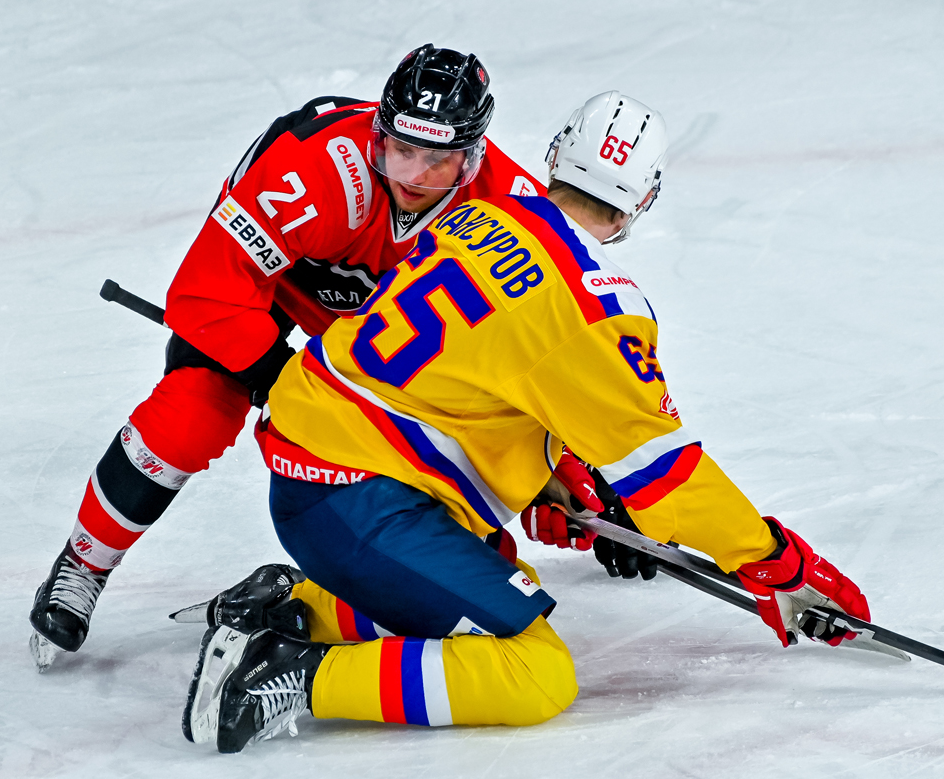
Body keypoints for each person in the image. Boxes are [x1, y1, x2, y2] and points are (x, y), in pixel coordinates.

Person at [180, 91, 872, 754]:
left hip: (325, 461)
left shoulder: (478, 217)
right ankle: (280, 676)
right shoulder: (596, 309)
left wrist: (542, 475)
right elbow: (667, 478)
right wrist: (774, 560)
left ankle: (295, 605)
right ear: (643, 200)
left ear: (555, 156)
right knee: (535, 671)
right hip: (358, 497)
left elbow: (472, 380)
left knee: (499, 575)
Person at [28, 44, 545, 670]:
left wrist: (569, 475)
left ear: (473, 156)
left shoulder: (513, 207)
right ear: (378, 133)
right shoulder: (316, 170)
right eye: (401, 149)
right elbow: (205, 294)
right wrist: (286, 379)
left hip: (388, 335)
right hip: (271, 292)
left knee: (447, 481)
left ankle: (320, 593)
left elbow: (542, 357)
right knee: (193, 413)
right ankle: (84, 562)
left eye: (437, 160)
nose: (413, 174)